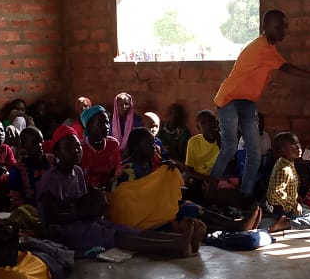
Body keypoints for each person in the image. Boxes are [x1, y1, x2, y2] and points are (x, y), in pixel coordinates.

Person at [209, 10, 310, 199]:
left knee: (255, 153)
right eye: (279, 26)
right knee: (230, 147)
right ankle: (211, 190)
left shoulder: (269, 48)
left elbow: (287, 66)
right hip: (229, 100)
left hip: (247, 102)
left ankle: (244, 196)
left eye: (285, 26)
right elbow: (288, 69)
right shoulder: (260, 48)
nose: (284, 30)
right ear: (265, 27)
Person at [37, 128, 197, 257]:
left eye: (78, 146)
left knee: (126, 230)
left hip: (81, 221)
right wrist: (83, 212)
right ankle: (175, 246)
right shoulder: (51, 179)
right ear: (57, 152)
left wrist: (94, 206)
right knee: (117, 237)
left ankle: (178, 240)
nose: (76, 151)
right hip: (64, 230)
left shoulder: (77, 172)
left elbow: (82, 201)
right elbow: (51, 217)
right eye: (68, 148)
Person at [115, 128, 258, 234]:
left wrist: (168, 168)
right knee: (184, 224)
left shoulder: (152, 161)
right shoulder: (126, 170)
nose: (153, 148)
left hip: (157, 208)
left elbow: (155, 186)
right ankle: (234, 227)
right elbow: (127, 200)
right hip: (141, 218)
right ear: (135, 147)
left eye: (153, 144)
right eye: (148, 145)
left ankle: (234, 225)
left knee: (191, 207)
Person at [265, 132, 310, 232]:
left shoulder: (287, 162)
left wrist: (296, 197)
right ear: (282, 151)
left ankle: (284, 219)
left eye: (298, 144)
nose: (298, 147)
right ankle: (286, 223)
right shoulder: (283, 169)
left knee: (308, 208)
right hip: (282, 208)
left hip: (285, 204)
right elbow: (276, 192)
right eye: (293, 146)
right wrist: (294, 204)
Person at [78, 105, 122, 191]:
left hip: (109, 189)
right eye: (101, 123)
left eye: (107, 122)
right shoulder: (81, 147)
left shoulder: (113, 144)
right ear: (89, 126)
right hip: (86, 191)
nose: (106, 126)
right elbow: (77, 178)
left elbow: (116, 171)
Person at [8, 127, 53, 208]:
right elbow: (16, 200)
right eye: (34, 142)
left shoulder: (51, 162)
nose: (40, 145)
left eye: (40, 141)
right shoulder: (17, 170)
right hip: (29, 211)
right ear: (24, 145)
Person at [184, 110, 221, 191]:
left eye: (212, 121)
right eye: (204, 123)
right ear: (198, 127)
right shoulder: (193, 142)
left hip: (220, 178)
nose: (209, 125)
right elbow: (189, 171)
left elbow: (231, 164)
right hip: (200, 177)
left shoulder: (223, 140)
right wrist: (207, 178)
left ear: (217, 123)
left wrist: (220, 143)